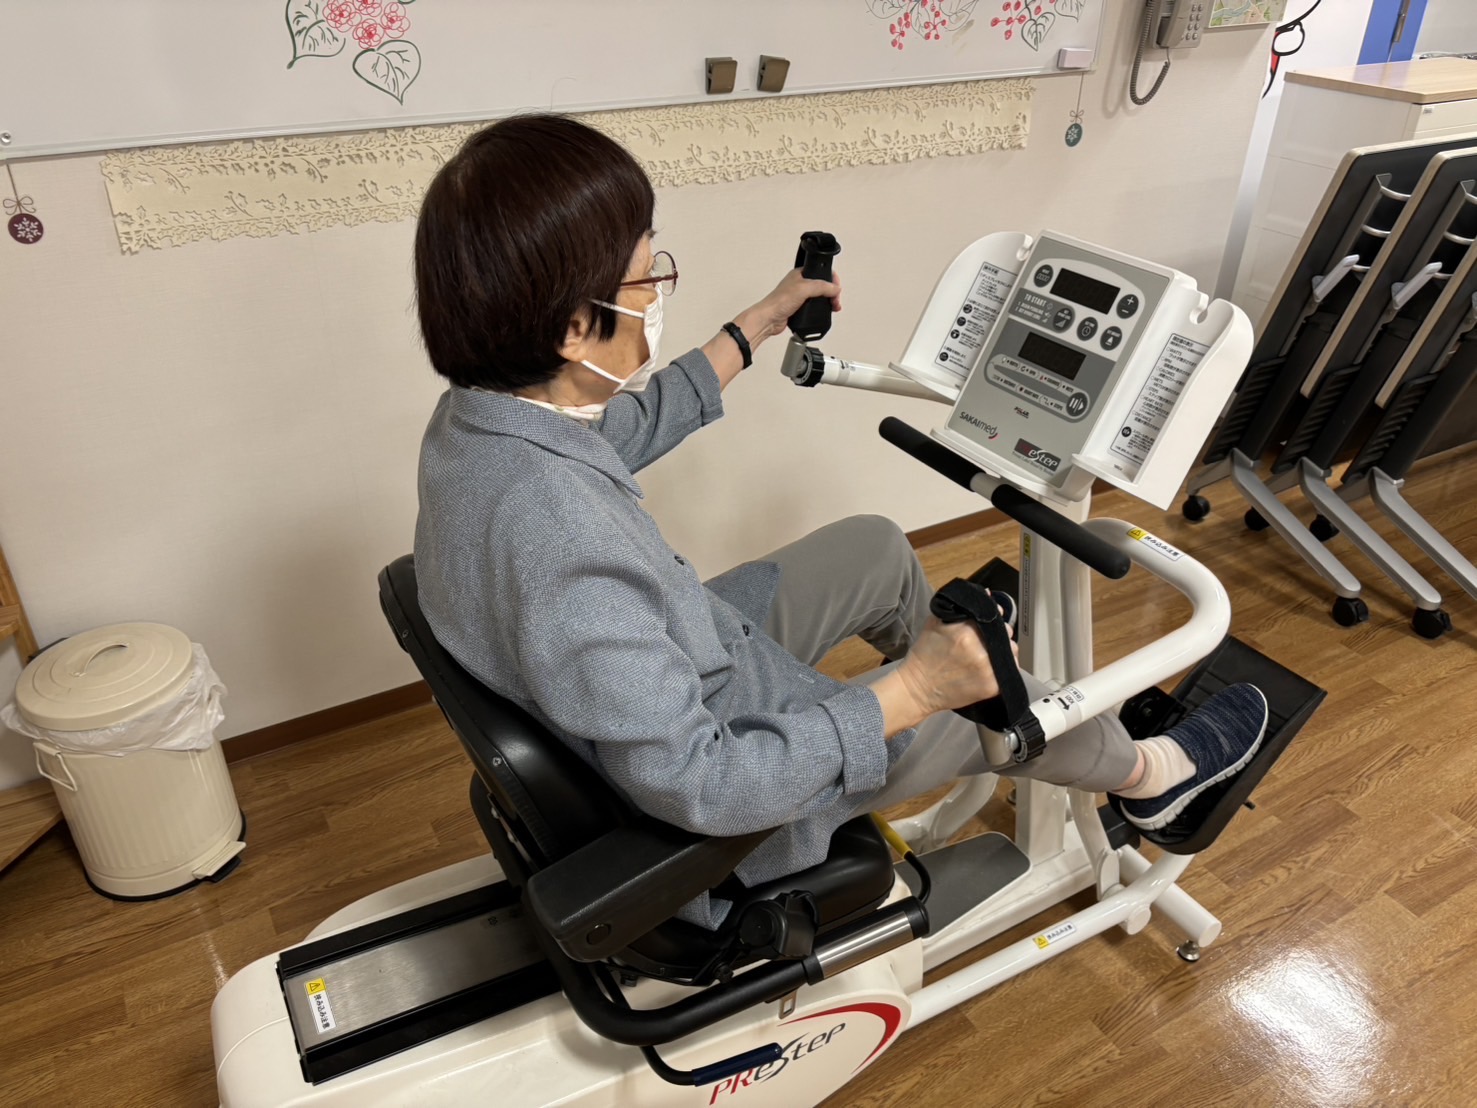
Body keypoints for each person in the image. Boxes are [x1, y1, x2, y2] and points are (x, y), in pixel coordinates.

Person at [412, 114, 1272, 927]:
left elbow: (622, 429)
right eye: (646, 279)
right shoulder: (566, 550)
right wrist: (917, 691)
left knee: (874, 546)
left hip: (687, 652)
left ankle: (982, 698)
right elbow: (704, 785)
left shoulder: (482, 424)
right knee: (1003, 702)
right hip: (740, 777)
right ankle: (1147, 776)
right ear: (573, 326)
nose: (656, 293)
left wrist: (759, 322)